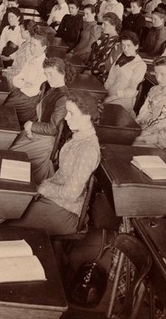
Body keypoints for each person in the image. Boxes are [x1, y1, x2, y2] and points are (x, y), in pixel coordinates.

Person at [7, 91, 101, 235]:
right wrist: (42, 188)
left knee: (9, 220)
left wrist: (41, 188)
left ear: (87, 116)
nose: (66, 117)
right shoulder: (78, 138)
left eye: (71, 113)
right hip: (55, 198)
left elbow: (71, 193)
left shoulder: (87, 149)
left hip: (66, 210)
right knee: (10, 206)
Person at [10, 57, 70, 182]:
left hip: (46, 140)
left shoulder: (63, 97)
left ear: (62, 73)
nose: (48, 78)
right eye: (46, 74)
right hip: (37, 132)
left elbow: (53, 129)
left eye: (51, 74)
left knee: (12, 154)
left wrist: (31, 125)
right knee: (9, 148)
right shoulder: (50, 88)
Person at [133, 57, 166, 151]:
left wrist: (141, 137)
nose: (158, 78)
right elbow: (142, 115)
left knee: (126, 146)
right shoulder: (154, 89)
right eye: (156, 73)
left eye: (163, 74)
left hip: (159, 142)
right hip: (144, 131)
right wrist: (133, 129)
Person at [3, 33, 48, 123]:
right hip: (19, 92)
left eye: (35, 45)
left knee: (4, 109)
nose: (31, 48)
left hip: (28, 100)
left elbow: (33, 90)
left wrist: (21, 83)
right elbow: (16, 79)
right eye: (31, 44)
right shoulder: (31, 59)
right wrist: (24, 84)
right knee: (2, 102)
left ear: (43, 47)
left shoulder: (44, 65)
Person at [103, 30, 147, 113]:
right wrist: (104, 92)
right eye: (123, 45)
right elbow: (111, 78)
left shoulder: (140, 65)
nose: (125, 49)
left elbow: (132, 90)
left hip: (123, 100)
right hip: (110, 94)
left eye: (128, 45)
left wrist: (113, 97)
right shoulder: (120, 56)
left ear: (136, 46)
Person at [84, 12, 122, 83]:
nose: (102, 26)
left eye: (105, 24)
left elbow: (107, 65)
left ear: (113, 26)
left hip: (102, 77)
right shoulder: (104, 38)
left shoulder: (117, 44)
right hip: (92, 70)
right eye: (102, 23)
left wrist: (91, 72)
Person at [2, 21, 35, 88]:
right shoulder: (24, 43)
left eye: (21, 30)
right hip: (15, 71)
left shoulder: (30, 47)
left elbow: (24, 68)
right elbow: (17, 55)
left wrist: (8, 70)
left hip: (19, 76)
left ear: (27, 32)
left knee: (2, 75)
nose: (20, 32)